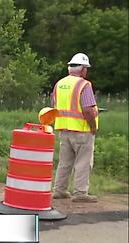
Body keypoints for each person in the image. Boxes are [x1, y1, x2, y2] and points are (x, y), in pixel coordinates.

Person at [52, 53, 99, 203]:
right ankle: (80, 193)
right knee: (83, 162)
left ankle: (59, 190)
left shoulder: (59, 84)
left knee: (65, 162)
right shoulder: (84, 85)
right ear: (83, 69)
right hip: (82, 130)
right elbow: (87, 110)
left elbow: (54, 107)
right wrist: (93, 127)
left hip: (64, 130)